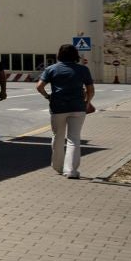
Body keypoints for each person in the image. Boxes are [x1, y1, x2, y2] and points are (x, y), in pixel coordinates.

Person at [35, 44, 96, 179]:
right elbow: (91, 90)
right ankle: (71, 170)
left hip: (58, 108)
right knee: (74, 139)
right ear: (75, 55)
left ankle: (58, 166)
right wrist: (86, 102)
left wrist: (48, 96)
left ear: (59, 55)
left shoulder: (51, 69)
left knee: (58, 136)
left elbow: (39, 87)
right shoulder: (83, 69)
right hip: (78, 108)